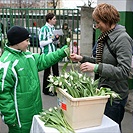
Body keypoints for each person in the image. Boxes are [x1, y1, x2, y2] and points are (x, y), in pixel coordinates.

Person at [70, 3, 133, 131]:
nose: (97, 26)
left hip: (115, 96)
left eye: (98, 22)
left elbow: (124, 71)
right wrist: (82, 59)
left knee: (111, 128)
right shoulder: (106, 36)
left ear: (108, 20)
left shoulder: (122, 39)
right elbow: (102, 61)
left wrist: (97, 68)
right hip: (103, 91)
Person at [0, 25, 68, 133]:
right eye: (26, 40)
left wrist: (62, 52)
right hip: (19, 120)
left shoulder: (28, 55)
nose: (29, 43)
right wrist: (10, 119)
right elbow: (3, 94)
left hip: (35, 112)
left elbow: (44, 60)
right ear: (17, 42)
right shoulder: (6, 63)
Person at [39, 12, 60, 96]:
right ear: (49, 20)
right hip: (47, 54)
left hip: (54, 53)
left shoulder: (53, 28)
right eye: (54, 19)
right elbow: (41, 43)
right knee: (47, 72)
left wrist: (56, 40)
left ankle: (56, 90)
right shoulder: (44, 29)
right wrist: (52, 40)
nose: (55, 20)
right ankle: (46, 90)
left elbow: (51, 39)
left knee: (56, 72)